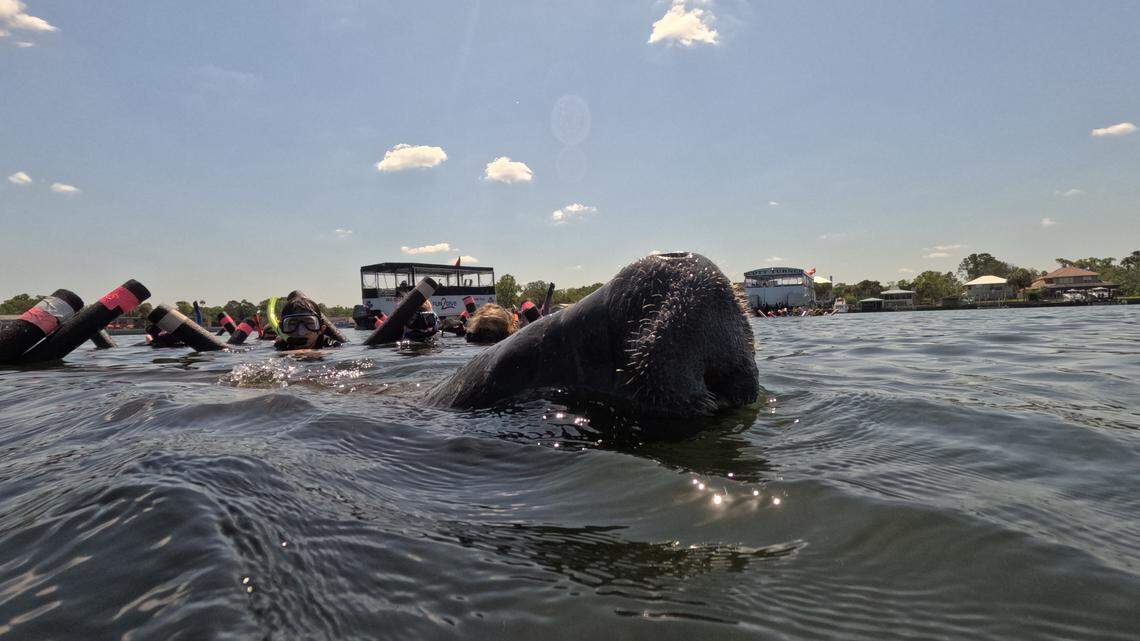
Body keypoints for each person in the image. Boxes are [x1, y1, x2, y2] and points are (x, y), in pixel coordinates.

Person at [274, 293, 343, 351]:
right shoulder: (281, 346)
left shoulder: (332, 345)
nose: (301, 332)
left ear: (321, 329)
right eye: (293, 324)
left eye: (309, 323)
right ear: (282, 329)